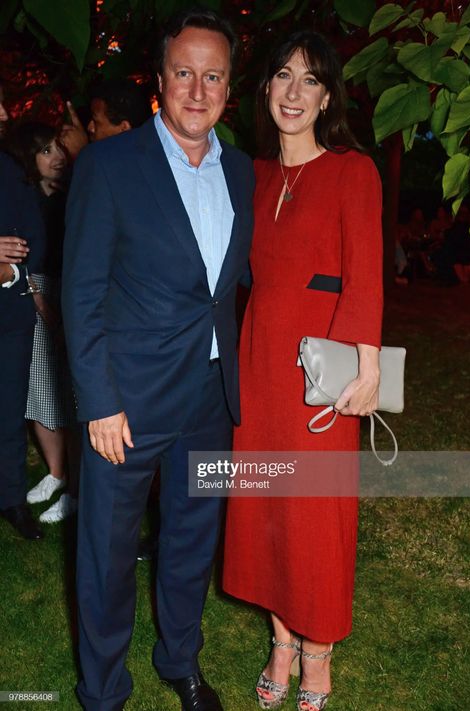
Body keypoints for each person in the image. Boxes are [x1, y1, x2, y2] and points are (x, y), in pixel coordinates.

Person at [61, 9, 254, 711]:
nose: (197, 90)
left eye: (213, 75)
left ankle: (181, 660)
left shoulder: (241, 171)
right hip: (128, 402)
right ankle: (104, 689)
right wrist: (98, 403)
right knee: (107, 557)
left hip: (208, 398)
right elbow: (80, 294)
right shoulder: (110, 164)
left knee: (189, 542)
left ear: (229, 88)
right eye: (183, 73)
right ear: (159, 79)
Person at [223, 31, 383, 711]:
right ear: (264, 88)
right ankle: (281, 638)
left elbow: (366, 274)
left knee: (315, 510)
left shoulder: (351, 170)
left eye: (309, 81)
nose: (293, 92)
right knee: (266, 503)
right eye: (283, 76)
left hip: (322, 364)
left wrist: (366, 364)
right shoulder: (250, 175)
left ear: (326, 97)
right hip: (258, 359)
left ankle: (316, 651)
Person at [8, 122, 80, 523]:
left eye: (59, 149)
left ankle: (74, 485)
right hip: (35, 295)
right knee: (38, 393)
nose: (56, 158)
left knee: (69, 397)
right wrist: (37, 295)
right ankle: (55, 474)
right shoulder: (25, 200)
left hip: (71, 295)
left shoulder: (76, 196)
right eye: (45, 150)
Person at [0, 86, 46, 540]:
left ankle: (11, 497)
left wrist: (11, 270)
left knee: (9, 412)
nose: (3, 110)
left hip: (9, 319)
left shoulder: (10, 170)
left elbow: (34, 238)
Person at [60, 78, 153, 160]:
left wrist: (81, 154)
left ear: (124, 128)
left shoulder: (140, 165)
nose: (90, 127)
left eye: (96, 122)